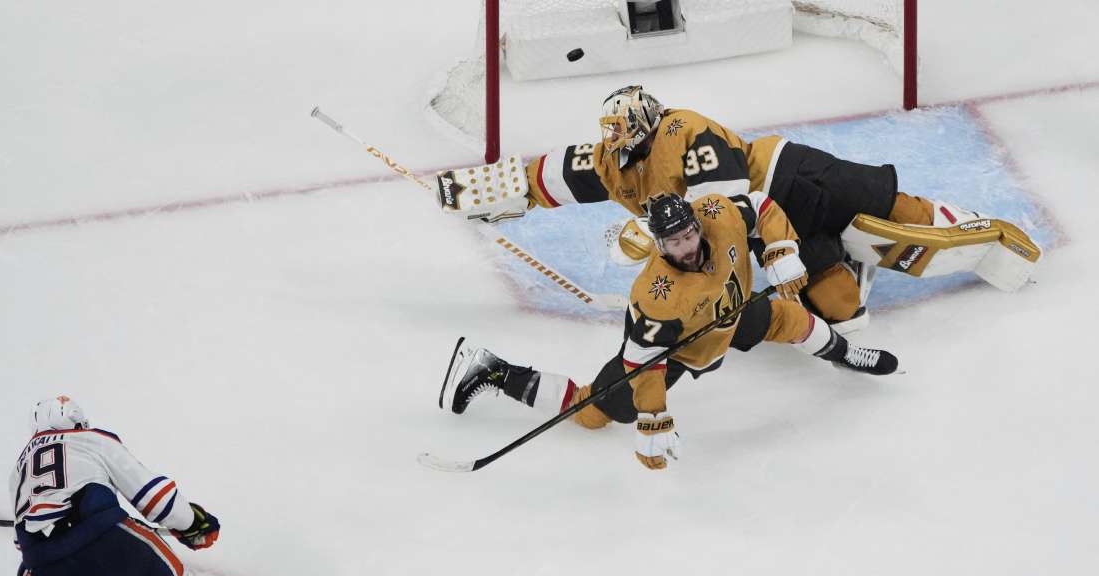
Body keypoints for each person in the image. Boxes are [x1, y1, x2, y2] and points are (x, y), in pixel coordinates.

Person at [438, 85, 1040, 331]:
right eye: (610, 132)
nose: (615, 143)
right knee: (842, 312)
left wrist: (651, 243)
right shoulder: (607, 160)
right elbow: (542, 176)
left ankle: (966, 228)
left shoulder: (685, 132)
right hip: (766, 227)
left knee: (898, 212)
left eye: (624, 131)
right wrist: (475, 191)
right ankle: (854, 263)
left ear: (648, 124)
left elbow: (726, 210)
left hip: (790, 180)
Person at [440, 191, 898, 469]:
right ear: (659, 246)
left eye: (688, 235)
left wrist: (779, 249)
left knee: (788, 318)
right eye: (673, 242)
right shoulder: (657, 295)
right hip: (679, 348)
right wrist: (654, 418)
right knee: (593, 414)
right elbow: (643, 365)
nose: (685, 246)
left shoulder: (717, 213)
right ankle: (493, 371)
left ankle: (842, 354)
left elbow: (759, 205)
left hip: (729, 312)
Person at [10, 396, 286, 576]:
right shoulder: (90, 439)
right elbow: (155, 497)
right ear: (75, 420)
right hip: (114, 543)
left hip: (46, 569)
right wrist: (191, 523)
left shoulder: (17, 472)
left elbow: (22, 541)